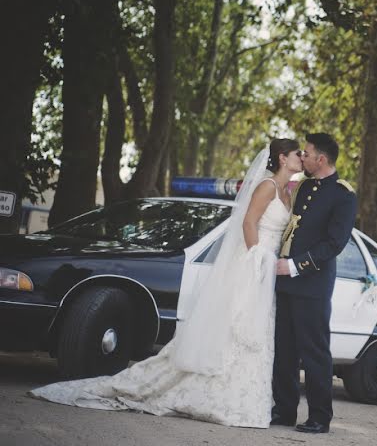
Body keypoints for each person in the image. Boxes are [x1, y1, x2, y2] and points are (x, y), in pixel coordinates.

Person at [29, 138, 304, 428]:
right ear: (283, 158)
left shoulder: (289, 192)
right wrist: (256, 259)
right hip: (253, 266)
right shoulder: (267, 186)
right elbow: (249, 222)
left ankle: (249, 398)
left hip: (269, 272)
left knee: (256, 333)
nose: (302, 157)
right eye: (298, 153)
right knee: (235, 328)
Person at [271, 132, 357, 434]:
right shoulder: (304, 186)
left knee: (315, 353)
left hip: (312, 285)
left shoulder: (344, 195)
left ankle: (320, 417)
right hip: (284, 282)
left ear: (321, 159)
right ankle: (283, 410)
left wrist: (296, 265)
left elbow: (334, 243)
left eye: (306, 153)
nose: (302, 157)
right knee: (284, 351)